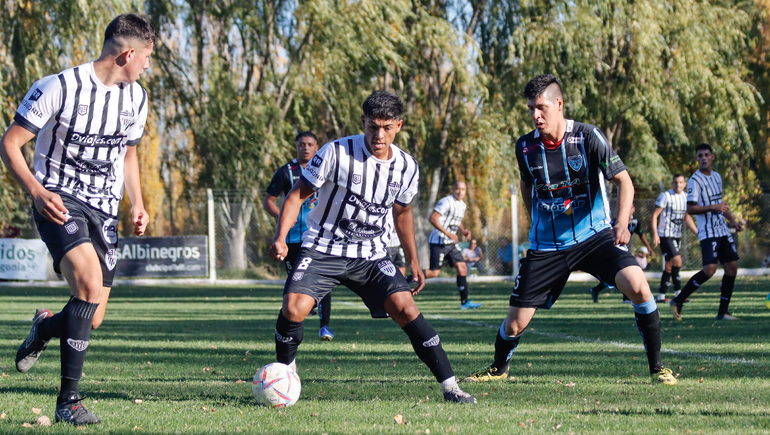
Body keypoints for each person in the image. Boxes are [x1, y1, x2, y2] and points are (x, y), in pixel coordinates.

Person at [463, 74, 676, 385]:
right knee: (514, 325)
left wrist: (620, 223)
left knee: (638, 285)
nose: (536, 115)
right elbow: (526, 183)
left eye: (541, 107)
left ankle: (658, 368)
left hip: (595, 238)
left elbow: (624, 181)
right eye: (531, 109)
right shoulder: (525, 147)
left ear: (558, 104)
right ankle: (498, 369)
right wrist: (533, 214)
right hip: (547, 246)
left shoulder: (588, 137)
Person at [268, 90, 477, 404]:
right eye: (372, 126)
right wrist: (281, 237)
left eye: (387, 127)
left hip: (371, 255)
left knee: (406, 309)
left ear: (399, 126)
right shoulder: (335, 153)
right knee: (293, 309)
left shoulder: (407, 166)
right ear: (362, 122)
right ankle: (284, 375)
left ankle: (451, 388)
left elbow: (402, 212)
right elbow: (297, 194)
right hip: (323, 248)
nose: (379, 135)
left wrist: (413, 260)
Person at [0, 14, 155, 424]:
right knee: (87, 282)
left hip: (104, 209)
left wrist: (136, 201)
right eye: (147, 59)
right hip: (59, 200)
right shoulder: (59, 87)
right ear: (128, 53)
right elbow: (10, 144)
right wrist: (37, 191)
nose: (147, 67)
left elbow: (128, 154)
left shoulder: (136, 98)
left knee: (93, 315)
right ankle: (68, 402)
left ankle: (44, 328)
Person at [264, 131, 335, 341]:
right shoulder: (286, 171)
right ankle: (294, 326)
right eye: (301, 144)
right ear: (296, 147)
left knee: (323, 280)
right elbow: (268, 200)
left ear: (317, 146)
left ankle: (325, 327)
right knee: (295, 282)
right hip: (292, 238)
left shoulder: (327, 168)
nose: (305, 148)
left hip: (319, 236)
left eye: (310, 144)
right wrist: (283, 217)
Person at [671, 143, 744, 321]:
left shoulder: (717, 177)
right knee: (710, 270)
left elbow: (721, 205)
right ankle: (678, 300)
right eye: (700, 155)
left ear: (712, 157)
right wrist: (713, 207)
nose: (703, 158)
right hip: (708, 231)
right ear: (696, 159)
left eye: (706, 155)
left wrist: (733, 220)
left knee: (732, 268)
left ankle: (723, 312)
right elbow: (690, 208)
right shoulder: (695, 181)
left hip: (722, 229)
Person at [424, 181, 481, 310]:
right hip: (438, 241)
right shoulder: (446, 201)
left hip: (450, 243)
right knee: (434, 272)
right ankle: (406, 279)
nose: (460, 192)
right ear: (453, 189)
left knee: (462, 268)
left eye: (463, 189)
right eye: (457, 189)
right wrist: (448, 233)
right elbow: (433, 218)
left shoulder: (463, 205)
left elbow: (456, 219)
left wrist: (463, 231)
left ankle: (464, 302)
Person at [588, 205, 655, 303]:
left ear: (633, 209)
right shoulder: (616, 221)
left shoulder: (635, 222)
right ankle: (623, 297)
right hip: (613, 249)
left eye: (631, 208)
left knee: (621, 273)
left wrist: (648, 247)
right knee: (622, 273)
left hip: (623, 249)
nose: (629, 210)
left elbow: (641, 234)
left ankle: (596, 290)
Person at [651, 174, 698, 302]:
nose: (678, 185)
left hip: (676, 236)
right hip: (665, 235)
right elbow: (655, 215)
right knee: (678, 261)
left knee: (669, 266)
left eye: (681, 182)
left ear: (684, 184)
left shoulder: (686, 198)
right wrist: (655, 233)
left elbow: (687, 218)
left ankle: (661, 296)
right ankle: (679, 294)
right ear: (672, 184)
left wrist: (697, 232)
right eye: (676, 182)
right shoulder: (665, 196)